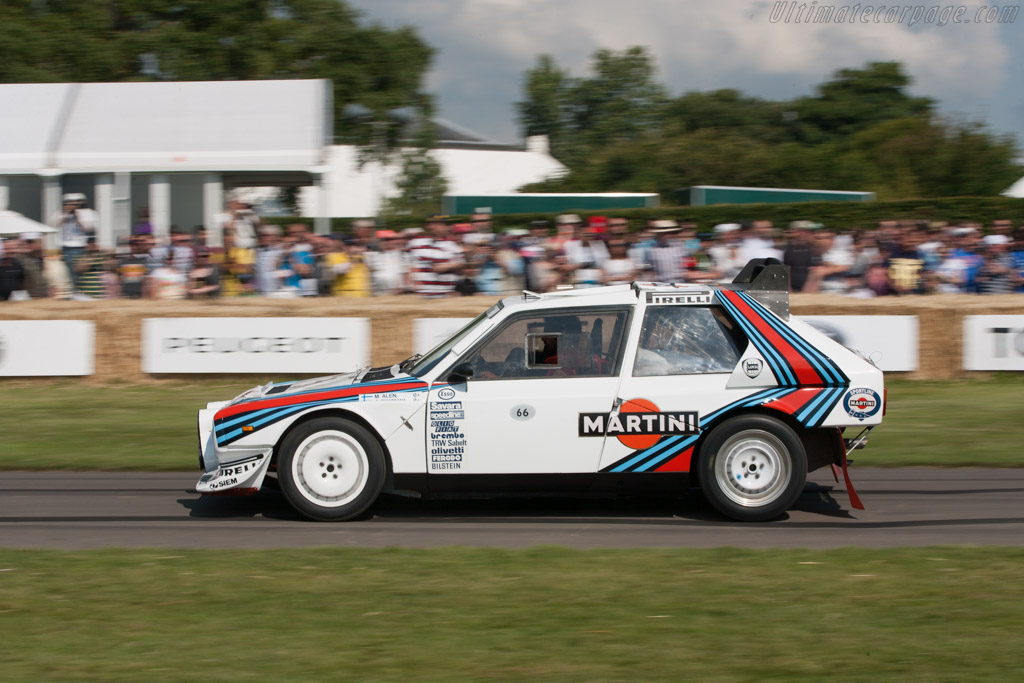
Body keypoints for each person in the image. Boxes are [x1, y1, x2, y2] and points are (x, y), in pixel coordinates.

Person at [406, 215, 463, 297]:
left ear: (446, 227)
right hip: (421, 294)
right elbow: (408, 264)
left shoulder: (453, 245)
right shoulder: (415, 242)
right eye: (434, 224)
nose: (437, 227)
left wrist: (447, 266)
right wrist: (409, 281)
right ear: (428, 226)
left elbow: (461, 263)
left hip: (445, 293)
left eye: (441, 224)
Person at [53, 193, 97, 292]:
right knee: (65, 274)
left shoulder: (88, 213)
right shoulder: (61, 213)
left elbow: (89, 228)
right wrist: (67, 214)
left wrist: (77, 215)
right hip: (63, 248)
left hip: (79, 248)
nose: (70, 206)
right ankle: (72, 291)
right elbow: (54, 224)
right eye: (67, 203)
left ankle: (77, 291)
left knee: (78, 272)